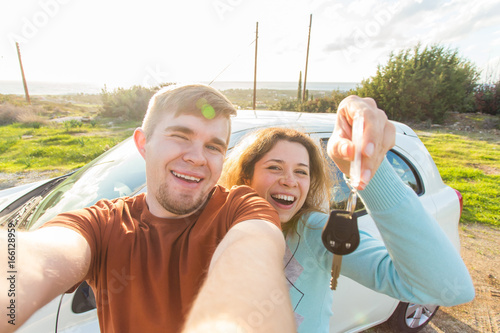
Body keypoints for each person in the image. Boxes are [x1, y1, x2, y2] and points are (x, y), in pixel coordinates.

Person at [0, 84, 296, 333]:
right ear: (143, 143)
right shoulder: (103, 224)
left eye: (214, 147)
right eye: (181, 136)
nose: (196, 157)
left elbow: (255, 251)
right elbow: (32, 260)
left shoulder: (241, 209)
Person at [219, 96, 475, 332]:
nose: (289, 180)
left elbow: (449, 288)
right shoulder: (217, 224)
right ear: (245, 176)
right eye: (275, 167)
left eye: (301, 171)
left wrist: (369, 173)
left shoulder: (314, 231)